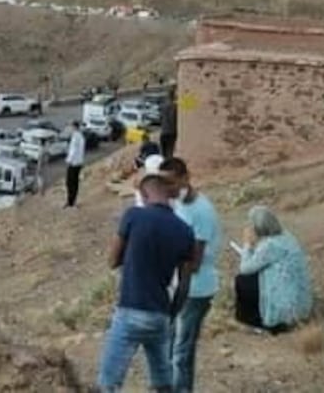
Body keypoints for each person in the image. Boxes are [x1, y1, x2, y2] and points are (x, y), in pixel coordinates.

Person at [96, 174, 195, 393]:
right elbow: (185, 284)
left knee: (108, 382)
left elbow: (112, 261)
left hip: (130, 310)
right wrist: (171, 314)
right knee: (162, 382)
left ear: (143, 194)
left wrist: (130, 253)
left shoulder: (133, 216)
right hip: (159, 316)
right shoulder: (185, 231)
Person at [165, 158, 221, 393]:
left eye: (170, 182)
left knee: (181, 352)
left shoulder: (202, 211)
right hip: (179, 286)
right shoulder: (178, 204)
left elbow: (194, 263)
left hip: (196, 289)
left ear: (185, 178)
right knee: (169, 347)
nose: (167, 188)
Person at [234, 206, 313, 333]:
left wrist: (247, 243)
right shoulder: (286, 236)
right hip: (299, 302)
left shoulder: (270, 245)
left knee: (243, 280)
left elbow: (245, 268)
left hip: (284, 308)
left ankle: (257, 323)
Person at [64, 120, 87, 208]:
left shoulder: (76, 137)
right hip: (78, 162)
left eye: (71, 126)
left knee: (70, 182)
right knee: (74, 182)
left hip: (73, 163)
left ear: (74, 127)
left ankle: (70, 202)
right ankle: (72, 201)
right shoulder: (80, 136)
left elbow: (73, 150)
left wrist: (69, 160)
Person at [160, 89, 178, 159]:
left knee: (164, 153)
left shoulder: (163, 106)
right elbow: (173, 119)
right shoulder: (175, 106)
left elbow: (161, 118)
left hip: (163, 132)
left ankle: (165, 166)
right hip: (171, 132)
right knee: (170, 152)